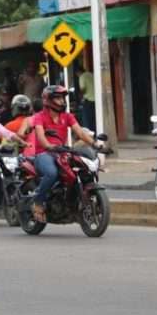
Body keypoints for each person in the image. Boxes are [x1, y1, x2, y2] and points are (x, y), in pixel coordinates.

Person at [32, 85, 98, 223]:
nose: (62, 101)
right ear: (48, 100)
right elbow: (41, 137)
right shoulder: (39, 117)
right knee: (52, 173)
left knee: (81, 169)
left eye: (63, 98)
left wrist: (95, 144)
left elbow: (80, 133)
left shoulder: (67, 116)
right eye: (58, 98)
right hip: (44, 154)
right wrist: (49, 145)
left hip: (62, 152)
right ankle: (38, 201)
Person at [78, 63, 96, 132]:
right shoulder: (91, 74)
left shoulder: (82, 76)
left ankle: (89, 134)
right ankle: (95, 133)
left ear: (78, 72)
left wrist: (80, 96)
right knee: (94, 119)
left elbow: (83, 89)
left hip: (88, 100)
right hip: (95, 100)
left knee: (86, 120)